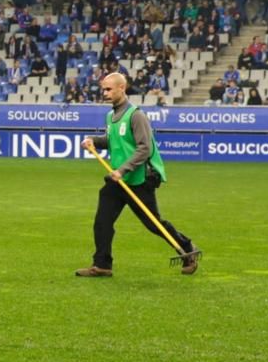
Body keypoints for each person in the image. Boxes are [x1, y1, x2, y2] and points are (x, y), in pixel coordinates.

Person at [77, 72, 200, 277]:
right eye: (103, 89)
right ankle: (102, 265)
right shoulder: (110, 116)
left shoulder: (136, 115)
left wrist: (122, 170)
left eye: (108, 89)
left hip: (138, 179)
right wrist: (92, 141)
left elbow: (144, 149)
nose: (104, 93)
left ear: (121, 88)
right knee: (102, 222)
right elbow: (113, 141)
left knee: (153, 223)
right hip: (117, 180)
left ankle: (187, 249)